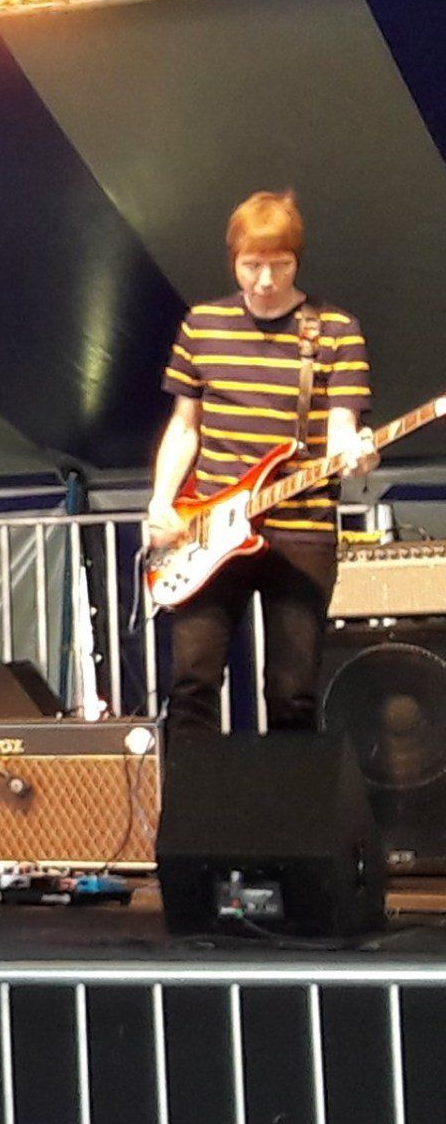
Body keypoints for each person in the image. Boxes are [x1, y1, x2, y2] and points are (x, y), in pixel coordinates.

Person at [147, 189, 376, 732]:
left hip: (301, 530)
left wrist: (356, 458)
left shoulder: (336, 330)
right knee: (192, 685)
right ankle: (196, 814)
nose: (266, 281)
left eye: (280, 265)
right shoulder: (202, 325)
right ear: (234, 261)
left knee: (293, 694)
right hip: (208, 527)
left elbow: (342, 430)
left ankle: (293, 815)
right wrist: (160, 502)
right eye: (252, 266)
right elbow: (184, 426)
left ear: (297, 261)